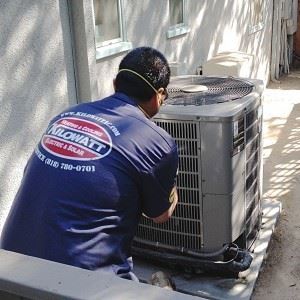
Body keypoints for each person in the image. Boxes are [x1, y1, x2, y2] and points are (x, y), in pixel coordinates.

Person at [0, 47, 178, 281]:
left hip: (11, 270)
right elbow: (160, 214)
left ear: (115, 84)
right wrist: (170, 187)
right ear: (159, 95)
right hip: (82, 285)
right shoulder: (159, 141)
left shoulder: (66, 115)